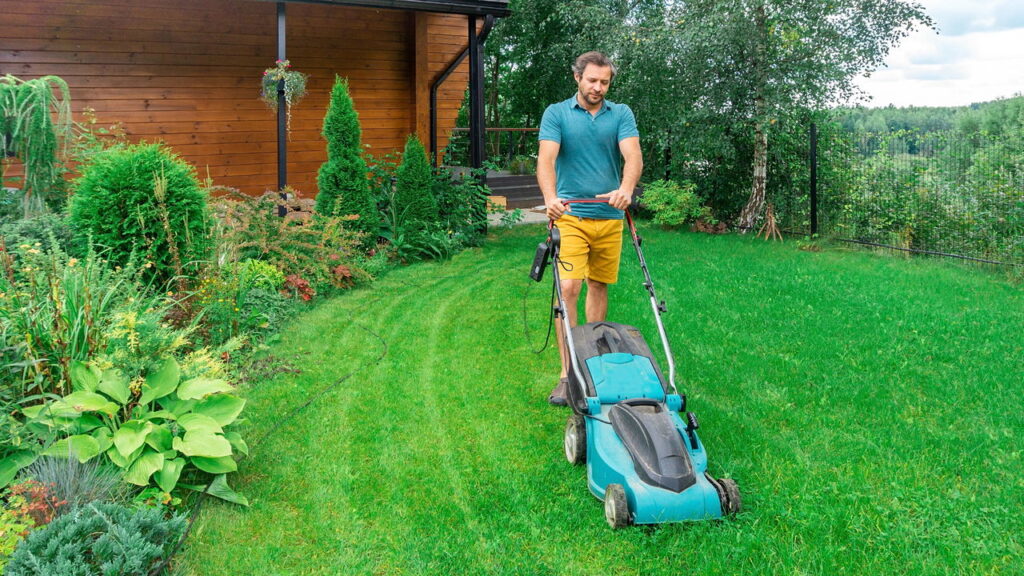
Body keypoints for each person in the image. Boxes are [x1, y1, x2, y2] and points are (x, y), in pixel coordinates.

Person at [537, 51, 643, 406]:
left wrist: (625, 190)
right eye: (592, 80)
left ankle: (592, 364)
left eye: (604, 82)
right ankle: (568, 376)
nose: (598, 87)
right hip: (570, 215)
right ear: (577, 78)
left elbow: (633, 157)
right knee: (568, 287)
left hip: (609, 217)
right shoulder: (557, 114)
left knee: (598, 285)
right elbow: (546, 159)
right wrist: (550, 197)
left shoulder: (621, 114)